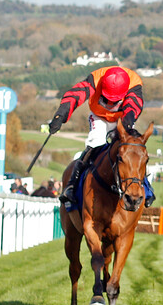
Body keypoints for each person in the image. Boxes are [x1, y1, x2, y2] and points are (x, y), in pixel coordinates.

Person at [48, 65, 151, 207]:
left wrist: (125, 128)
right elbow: (75, 95)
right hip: (99, 116)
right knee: (94, 142)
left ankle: (146, 187)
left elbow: (133, 106)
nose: (111, 102)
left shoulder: (134, 82)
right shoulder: (96, 78)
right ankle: (72, 185)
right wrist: (60, 116)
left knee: (131, 150)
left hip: (123, 119)